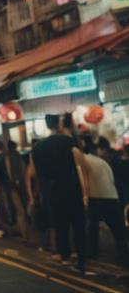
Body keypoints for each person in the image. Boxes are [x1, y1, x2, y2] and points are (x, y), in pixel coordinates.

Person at [31, 113, 91, 272]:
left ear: (46, 124)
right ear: (58, 124)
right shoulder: (67, 141)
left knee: (60, 226)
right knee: (78, 225)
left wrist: (38, 194)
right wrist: (85, 192)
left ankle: (65, 256)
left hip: (52, 192)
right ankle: (81, 258)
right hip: (72, 188)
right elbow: (80, 161)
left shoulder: (38, 147)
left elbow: (37, 174)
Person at [82, 138, 127, 261]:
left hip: (95, 196)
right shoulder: (99, 161)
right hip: (111, 196)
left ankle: (92, 253)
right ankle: (123, 255)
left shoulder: (82, 160)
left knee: (92, 226)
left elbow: (83, 181)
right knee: (117, 228)